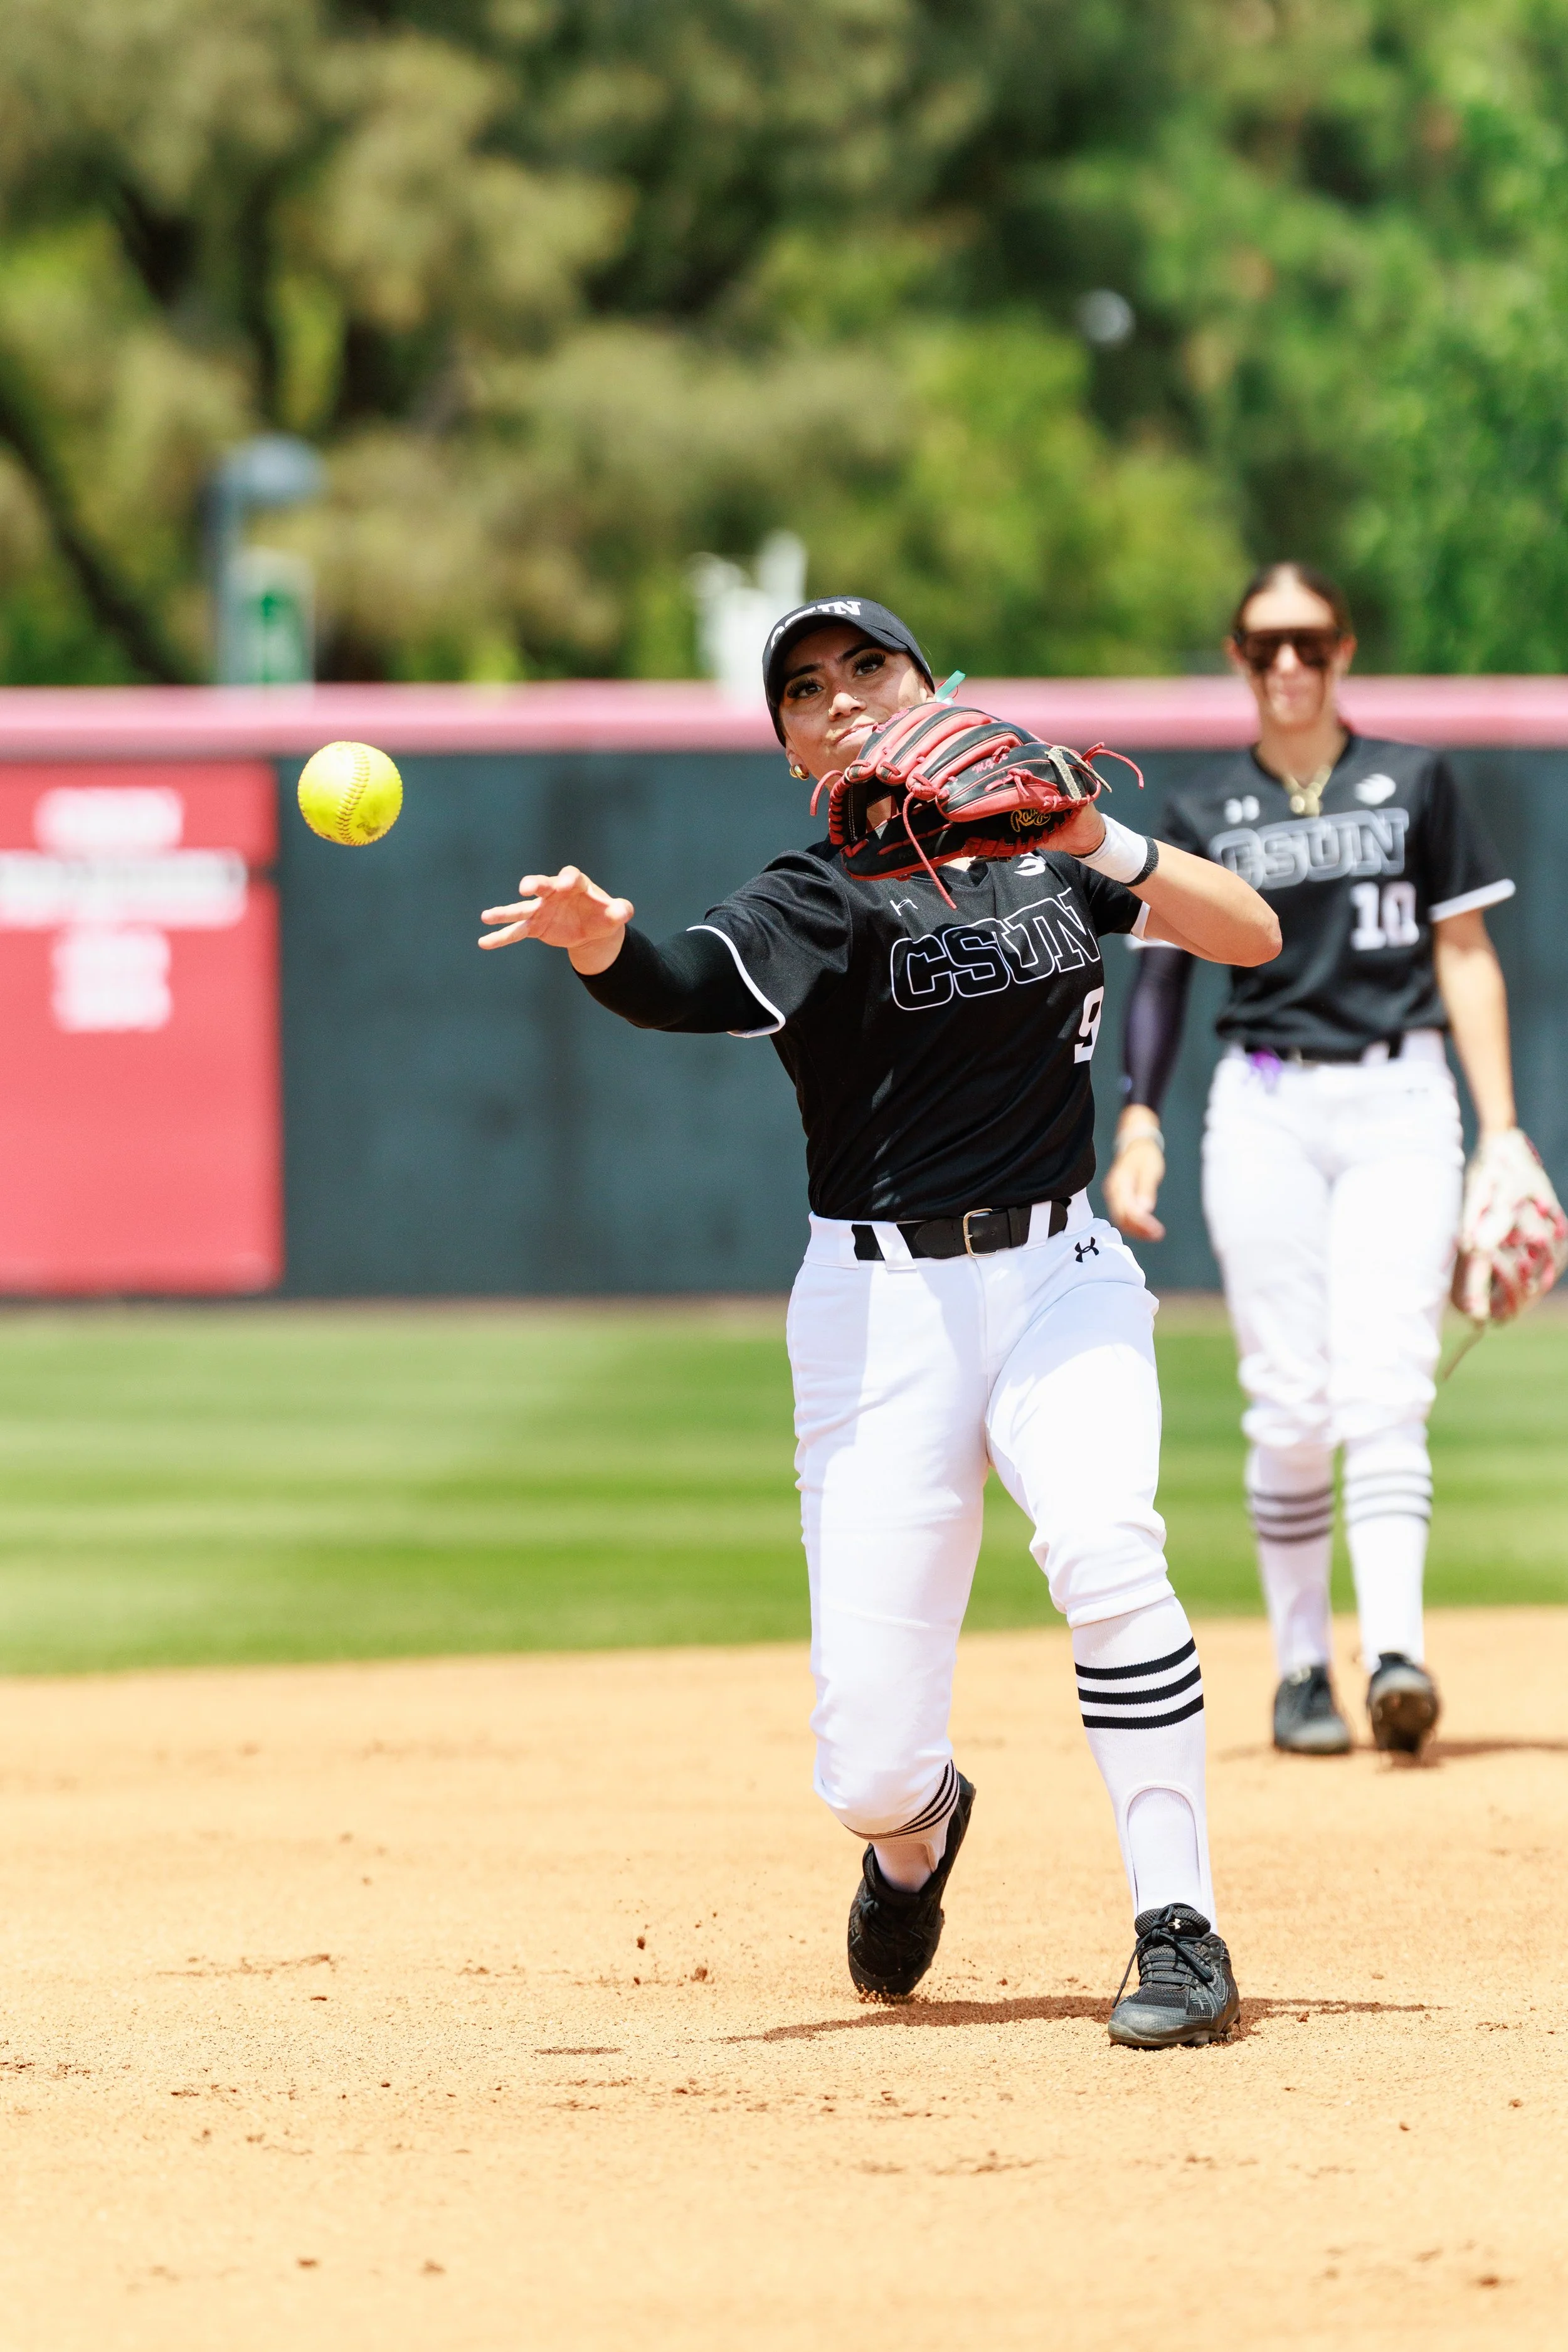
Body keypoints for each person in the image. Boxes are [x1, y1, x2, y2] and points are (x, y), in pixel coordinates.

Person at [479, 596, 1278, 2047]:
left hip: (1059, 1277)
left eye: (867, 667)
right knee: (864, 1767)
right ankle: (915, 1837)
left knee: (1106, 1549)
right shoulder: (814, 893)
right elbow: (694, 985)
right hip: (877, 1310)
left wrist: (1092, 833)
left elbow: (1248, 928)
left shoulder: (1046, 848)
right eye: (803, 687)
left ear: (933, 686)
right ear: (786, 743)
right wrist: (606, 944)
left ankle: (1180, 1930)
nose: (837, 696)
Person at [1104, 562, 1520, 1759]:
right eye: (1265, 643)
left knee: (1389, 1381)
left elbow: (1468, 953)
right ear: (1238, 658)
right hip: (1267, 1101)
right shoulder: (1201, 808)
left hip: (1402, 1093)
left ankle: (1396, 1652)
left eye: (1312, 640)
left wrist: (1503, 1128)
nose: (1289, 662)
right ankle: (1300, 1669)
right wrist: (1139, 1118)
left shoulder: (1417, 780)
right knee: (1289, 1395)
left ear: (1345, 651)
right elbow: (1164, 974)